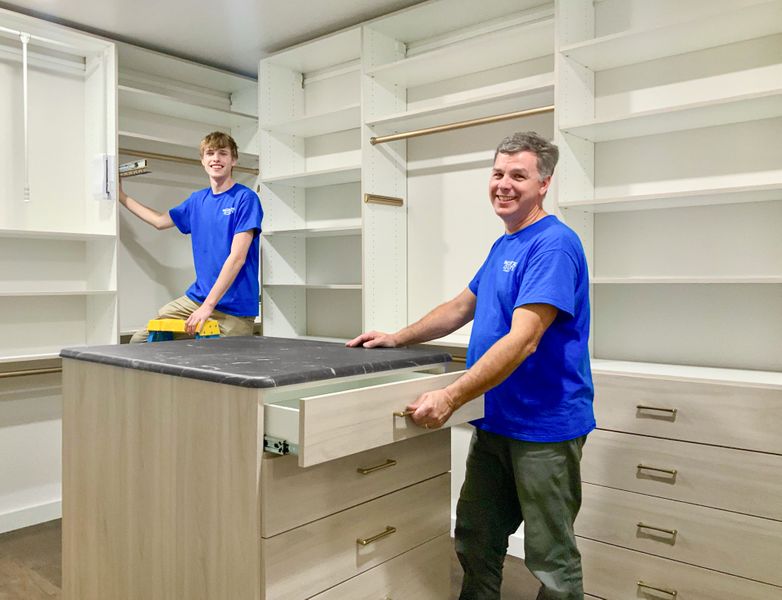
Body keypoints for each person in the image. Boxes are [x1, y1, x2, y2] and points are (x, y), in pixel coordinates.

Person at [347, 131, 594, 599]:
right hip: (497, 419)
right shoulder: (507, 244)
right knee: (477, 537)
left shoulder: (554, 245)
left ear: (544, 184)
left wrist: (451, 394)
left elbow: (523, 341)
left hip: (544, 428)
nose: (503, 184)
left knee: (551, 558)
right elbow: (462, 307)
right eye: (498, 173)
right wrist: (396, 336)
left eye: (518, 175)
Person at [120, 131, 263, 343]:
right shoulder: (197, 201)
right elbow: (159, 221)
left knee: (218, 368)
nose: (216, 158)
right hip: (197, 300)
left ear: (233, 160)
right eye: (210, 153)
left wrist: (208, 307)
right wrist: (121, 196)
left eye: (223, 153)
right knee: (140, 342)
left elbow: (237, 258)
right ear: (203, 160)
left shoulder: (245, 198)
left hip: (234, 309)